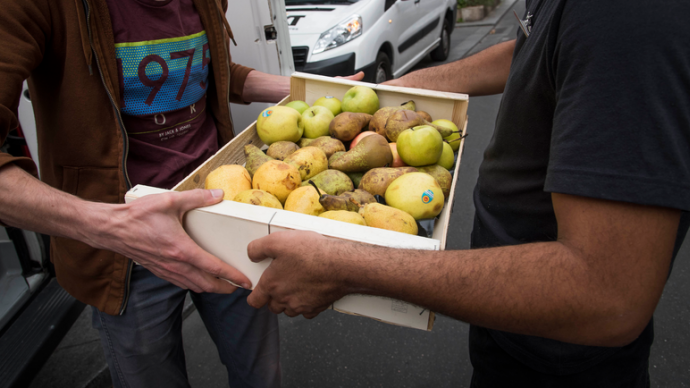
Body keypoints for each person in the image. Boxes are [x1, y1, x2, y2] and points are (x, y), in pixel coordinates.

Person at [245, 0, 690, 386]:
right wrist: (407, 87)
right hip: (514, 314)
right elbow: (536, 48)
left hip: (562, 353)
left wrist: (348, 266)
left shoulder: (627, 16)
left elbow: (607, 294)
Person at [0, 0, 362, 386]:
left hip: (224, 216)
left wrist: (311, 92)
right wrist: (112, 227)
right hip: (126, 251)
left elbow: (206, 73)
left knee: (260, 373)